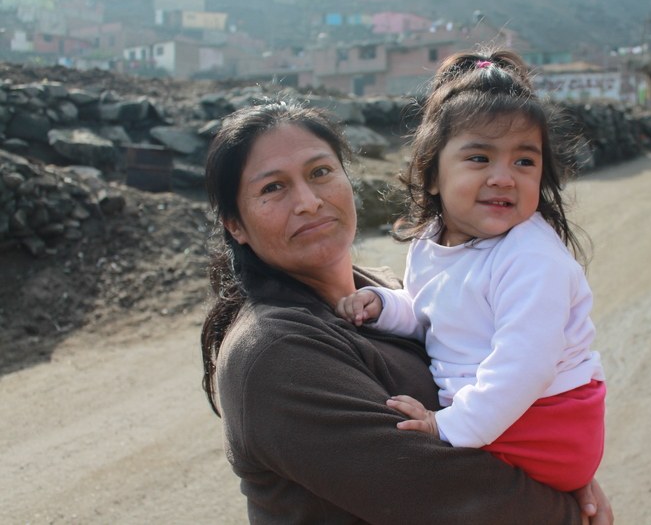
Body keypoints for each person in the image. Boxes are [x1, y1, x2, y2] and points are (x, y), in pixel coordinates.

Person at [201, 98, 613, 524]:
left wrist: (559, 467)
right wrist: (568, 512)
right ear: (235, 224)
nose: (308, 201)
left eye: (320, 172)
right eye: (273, 187)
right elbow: (445, 497)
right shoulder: (275, 353)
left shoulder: (385, 291)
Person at [336, 49, 605, 493]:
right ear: (433, 174)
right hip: (500, 411)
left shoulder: (532, 258)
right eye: (479, 158)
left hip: (547, 419)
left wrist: (448, 427)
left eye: (524, 161)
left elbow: (527, 367)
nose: (504, 177)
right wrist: (383, 305)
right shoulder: (431, 241)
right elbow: (432, 311)